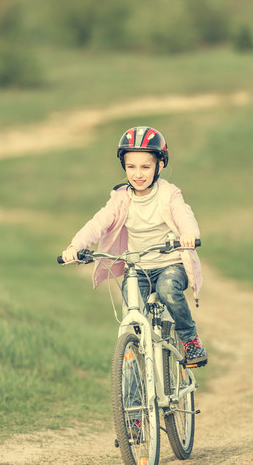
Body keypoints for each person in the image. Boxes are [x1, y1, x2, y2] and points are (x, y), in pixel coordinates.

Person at [60, 126, 207, 367]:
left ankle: (190, 340)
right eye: (131, 167)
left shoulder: (169, 194)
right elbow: (97, 223)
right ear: (124, 167)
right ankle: (137, 368)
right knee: (132, 314)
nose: (138, 174)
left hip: (168, 264)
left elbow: (184, 216)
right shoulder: (120, 198)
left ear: (159, 166)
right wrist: (75, 245)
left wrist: (189, 234)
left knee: (168, 289)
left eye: (145, 167)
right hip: (137, 268)